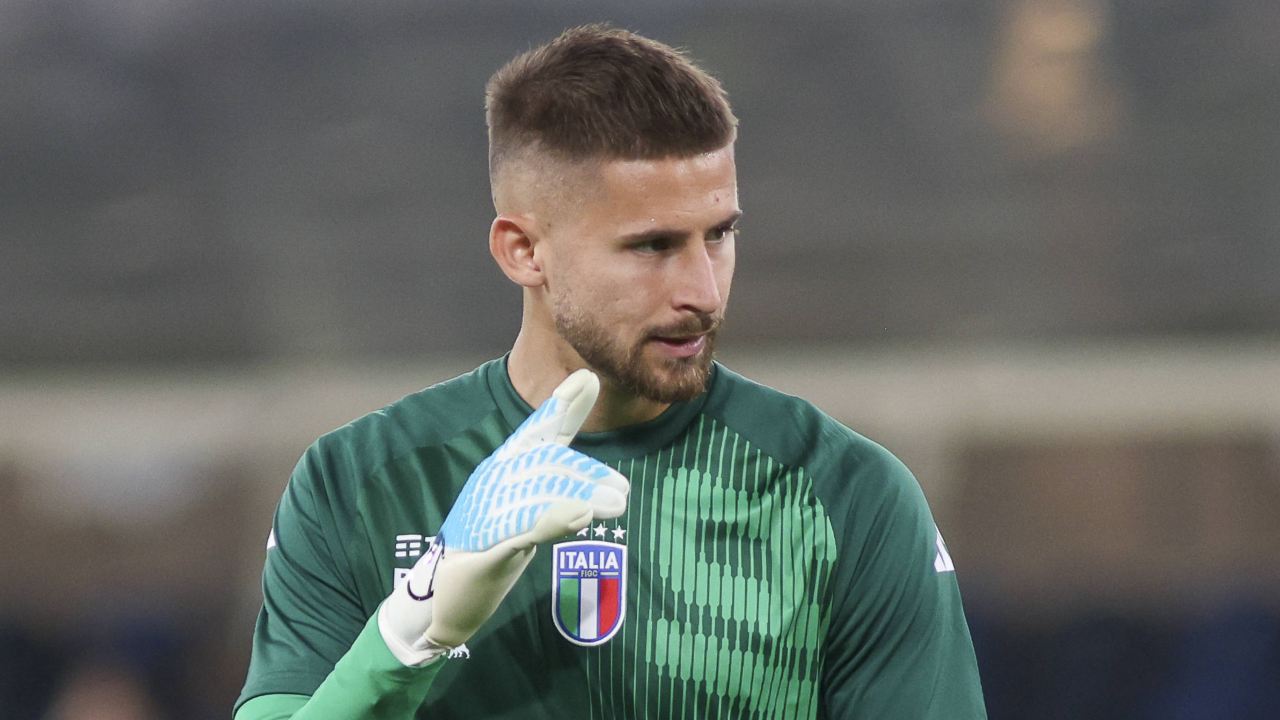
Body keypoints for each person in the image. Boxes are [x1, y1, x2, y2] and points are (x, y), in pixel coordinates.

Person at [234, 24, 986, 720]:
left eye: (719, 235)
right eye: (652, 246)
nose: (703, 292)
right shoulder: (356, 483)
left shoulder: (845, 495)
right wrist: (407, 635)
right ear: (523, 251)